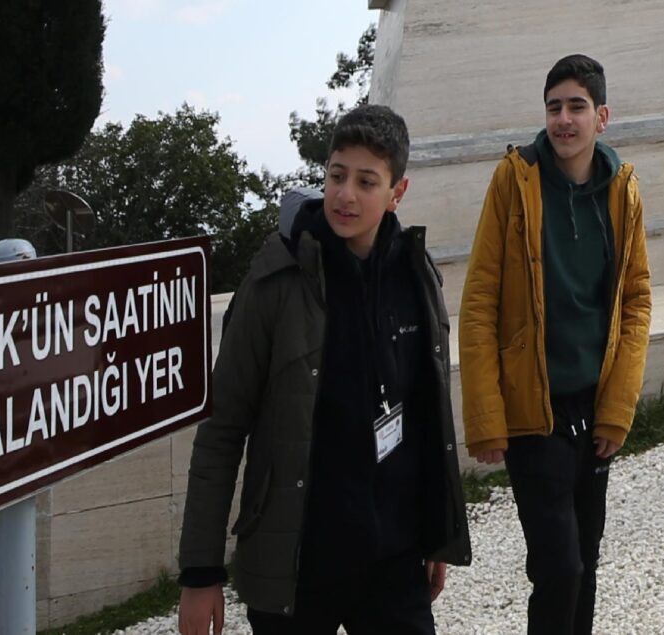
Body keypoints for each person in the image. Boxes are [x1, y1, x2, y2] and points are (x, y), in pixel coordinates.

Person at [177, 106, 471, 635]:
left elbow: (428, 417)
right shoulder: (274, 283)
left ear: (397, 192)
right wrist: (200, 575)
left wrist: (436, 534)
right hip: (296, 565)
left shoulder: (416, 275)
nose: (345, 195)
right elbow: (221, 432)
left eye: (366, 181)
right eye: (337, 176)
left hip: (393, 558)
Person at [461, 55, 653, 635]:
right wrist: (486, 419)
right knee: (559, 569)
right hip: (532, 413)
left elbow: (635, 302)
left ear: (602, 116)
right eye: (553, 107)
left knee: (587, 564)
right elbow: (478, 303)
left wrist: (618, 410)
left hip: (592, 407)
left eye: (576, 107)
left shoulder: (623, 189)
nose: (563, 120)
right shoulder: (513, 179)